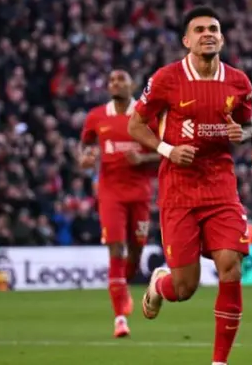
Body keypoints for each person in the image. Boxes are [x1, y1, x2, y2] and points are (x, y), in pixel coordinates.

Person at [128, 5, 252, 365]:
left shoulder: (239, 82)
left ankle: (219, 362)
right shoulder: (167, 79)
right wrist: (167, 149)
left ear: (222, 37)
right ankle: (159, 284)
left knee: (230, 266)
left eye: (213, 28)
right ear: (187, 40)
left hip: (221, 188)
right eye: (199, 29)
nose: (208, 34)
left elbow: (248, 126)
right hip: (179, 191)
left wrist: (241, 133)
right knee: (184, 289)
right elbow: (135, 126)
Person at [79, 69, 159, 338]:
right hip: (110, 193)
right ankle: (120, 317)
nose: (115, 83)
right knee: (116, 247)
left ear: (132, 85)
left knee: (136, 251)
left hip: (140, 194)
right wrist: (86, 159)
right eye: (111, 80)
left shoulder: (146, 115)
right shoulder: (96, 116)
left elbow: (164, 152)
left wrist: (143, 159)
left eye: (120, 80)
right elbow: (86, 146)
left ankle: (123, 284)